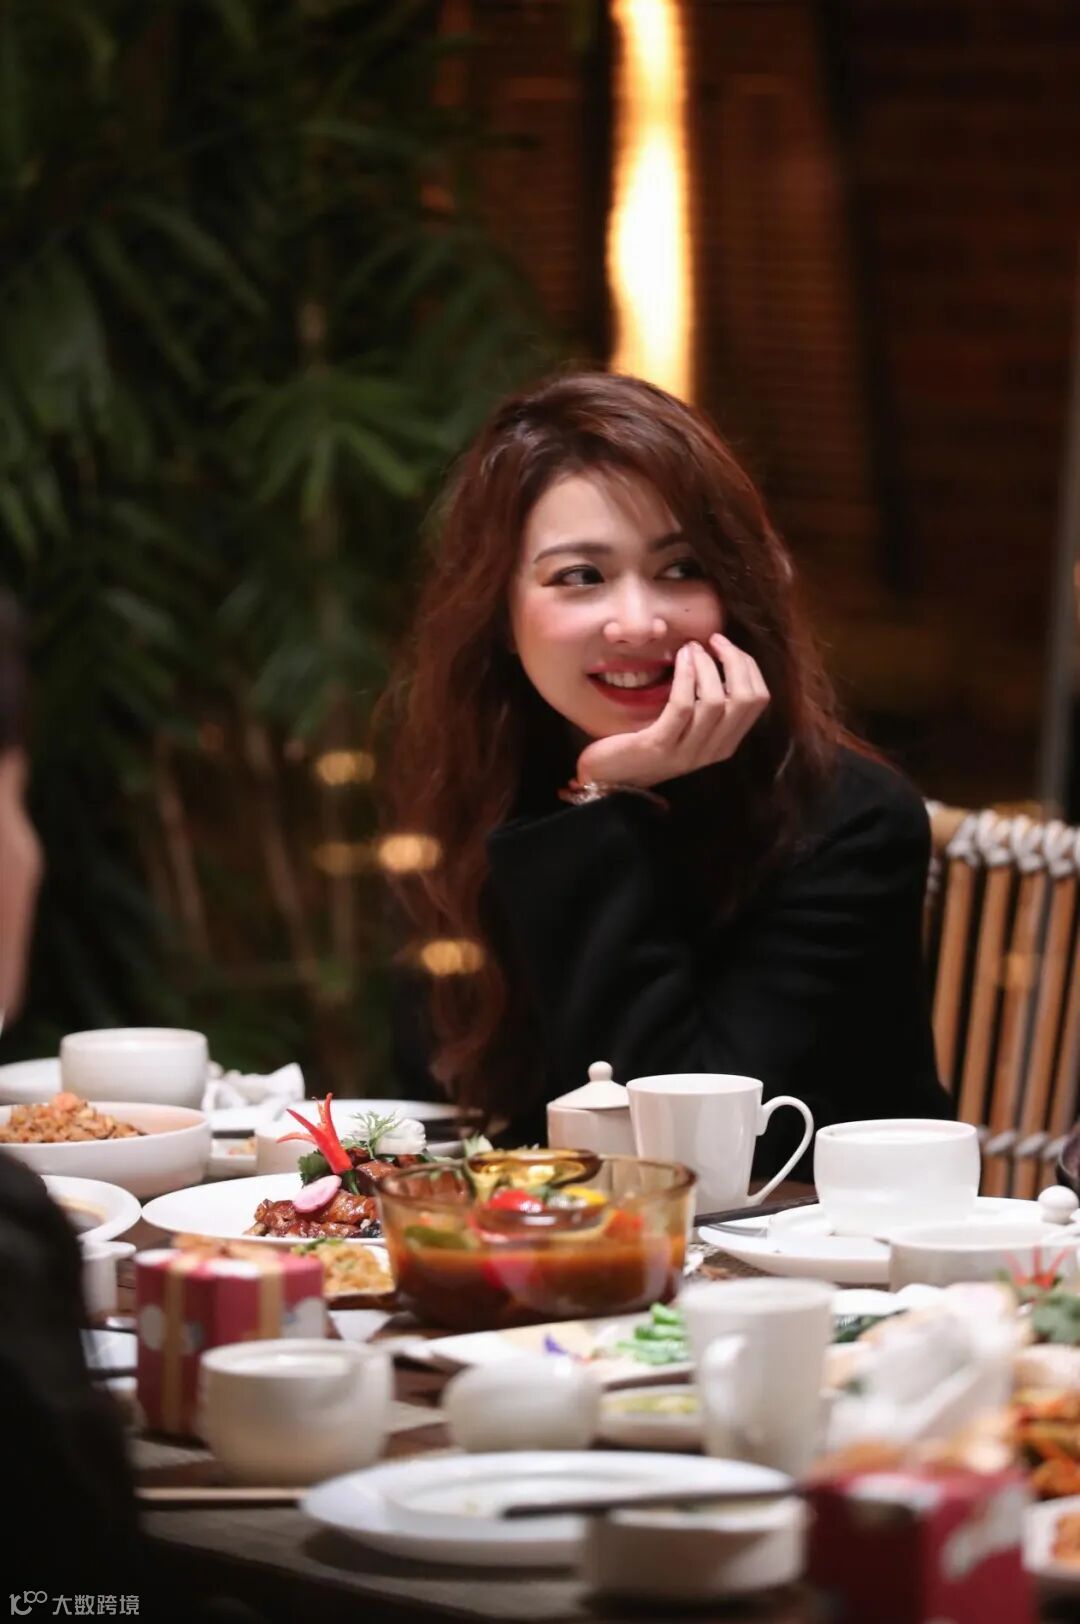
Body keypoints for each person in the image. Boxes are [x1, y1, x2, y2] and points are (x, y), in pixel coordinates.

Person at [380, 371, 952, 1170]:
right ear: (500, 616)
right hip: (556, 1235)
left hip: (808, 1238)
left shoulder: (847, 817)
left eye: (682, 568)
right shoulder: (484, 783)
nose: (639, 622)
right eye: (580, 577)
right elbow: (448, 1099)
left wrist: (604, 804)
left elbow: (681, 1156)